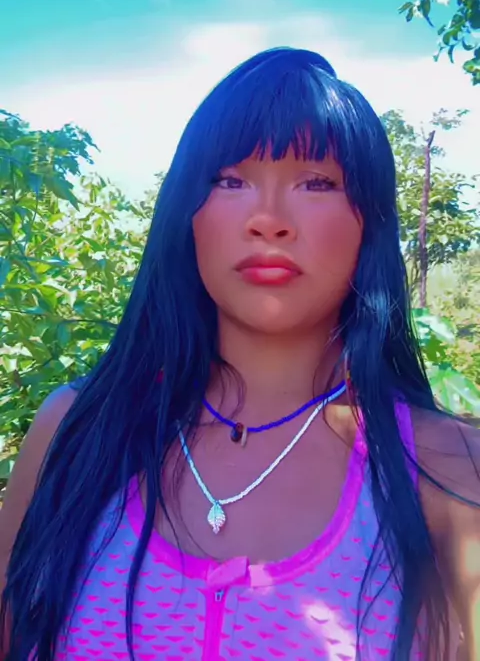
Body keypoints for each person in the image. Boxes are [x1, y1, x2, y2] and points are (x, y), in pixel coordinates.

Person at [0, 47, 478, 661]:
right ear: (186, 216)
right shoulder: (75, 431)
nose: (268, 220)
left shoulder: (449, 469)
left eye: (316, 182)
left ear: (372, 225)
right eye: (230, 180)